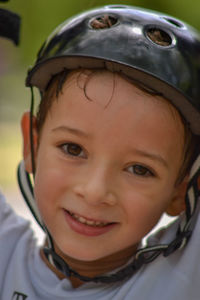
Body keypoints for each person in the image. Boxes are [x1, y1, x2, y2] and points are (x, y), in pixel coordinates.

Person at [1, 4, 200, 299]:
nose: (94, 192)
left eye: (139, 169)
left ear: (181, 188)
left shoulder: (183, 279)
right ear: (32, 144)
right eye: (73, 149)